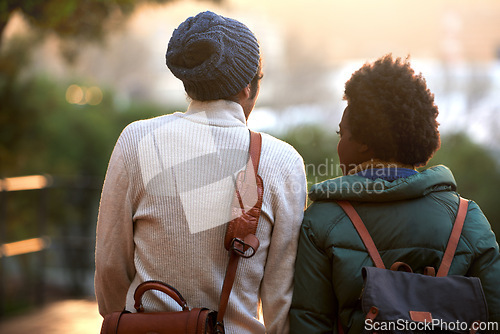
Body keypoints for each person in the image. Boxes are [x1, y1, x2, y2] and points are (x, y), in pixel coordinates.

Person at [95, 11, 307, 334]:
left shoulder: (136, 141)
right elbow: (281, 302)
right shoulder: (282, 162)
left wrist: (127, 320)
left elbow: (110, 267)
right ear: (247, 88)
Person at [289, 54, 500, 333]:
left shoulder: (322, 221)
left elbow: (310, 323)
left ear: (364, 142)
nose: (339, 146)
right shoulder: (467, 218)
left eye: (342, 134)